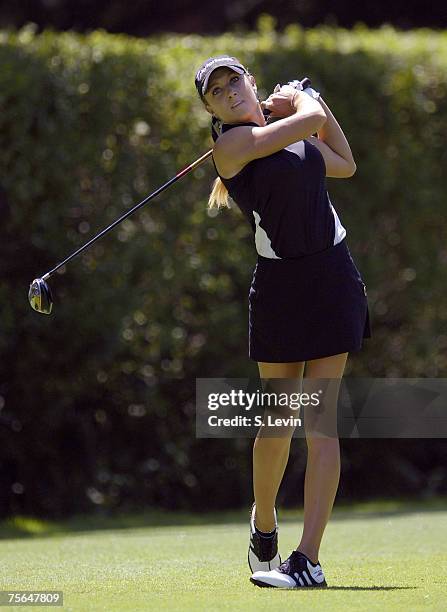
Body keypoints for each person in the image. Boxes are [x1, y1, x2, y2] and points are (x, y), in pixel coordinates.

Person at [194, 55, 371, 589]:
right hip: (280, 291)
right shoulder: (231, 147)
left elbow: (344, 162)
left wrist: (310, 106)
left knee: (320, 424)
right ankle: (264, 522)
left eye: (234, 82)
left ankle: (308, 560)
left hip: (333, 279)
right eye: (216, 92)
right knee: (277, 421)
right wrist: (298, 99)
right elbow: (308, 118)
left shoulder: (292, 131)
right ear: (210, 108)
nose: (228, 94)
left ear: (250, 82)